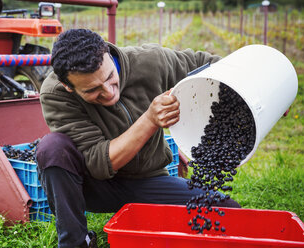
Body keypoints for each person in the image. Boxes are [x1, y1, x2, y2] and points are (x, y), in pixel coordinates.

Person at [36, 29, 240, 248]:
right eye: (93, 90)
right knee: (52, 148)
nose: (108, 92)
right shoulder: (56, 93)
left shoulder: (149, 61)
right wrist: (150, 120)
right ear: (69, 86)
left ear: (107, 52)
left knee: (229, 212)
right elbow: (98, 162)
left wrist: (262, 89)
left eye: (109, 77)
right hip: (94, 186)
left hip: (148, 180)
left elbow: (206, 65)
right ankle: (76, 242)